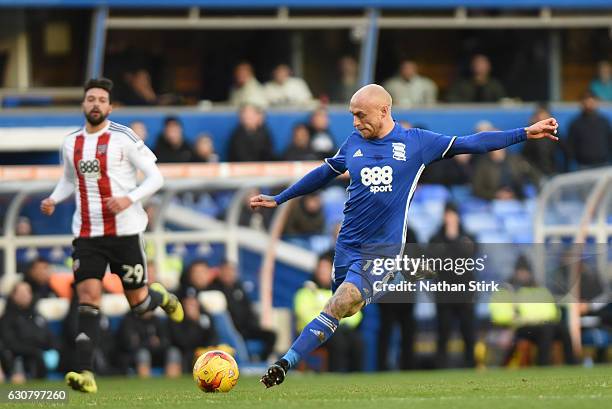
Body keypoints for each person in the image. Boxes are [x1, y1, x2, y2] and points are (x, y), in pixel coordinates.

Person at [250, 83, 559, 388]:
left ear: (384, 110)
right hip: (347, 245)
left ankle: (283, 363)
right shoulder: (353, 142)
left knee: (340, 303)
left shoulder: (417, 143)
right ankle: (393, 282)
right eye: (352, 116)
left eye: (361, 115)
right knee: (346, 308)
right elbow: (323, 173)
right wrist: (280, 198)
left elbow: (472, 142)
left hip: (382, 250)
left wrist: (524, 132)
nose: (356, 122)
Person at [40, 78, 183, 393]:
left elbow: (156, 177)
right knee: (88, 298)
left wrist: (129, 199)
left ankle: (159, 296)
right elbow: (68, 180)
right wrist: (53, 198)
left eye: (101, 100)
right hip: (87, 234)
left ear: (110, 106)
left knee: (140, 304)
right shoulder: (70, 143)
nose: (95, 104)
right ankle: (85, 372)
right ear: (83, 104)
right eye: (90, 98)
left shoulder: (124, 137)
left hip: (125, 233)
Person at [294, 252, 363, 372]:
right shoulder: (305, 291)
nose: (323, 272)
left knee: (358, 342)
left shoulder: (339, 291)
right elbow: (304, 314)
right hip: (315, 333)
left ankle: (355, 377)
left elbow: (355, 314)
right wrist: (331, 322)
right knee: (337, 340)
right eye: (321, 269)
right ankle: (334, 376)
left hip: (339, 330)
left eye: (326, 269)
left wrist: (340, 324)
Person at [428, 202, 477, 368]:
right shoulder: (435, 239)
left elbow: (468, 258)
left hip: (464, 292)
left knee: (468, 333)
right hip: (444, 293)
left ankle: (471, 365)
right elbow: (436, 263)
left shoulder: (469, 236)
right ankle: (440, 367)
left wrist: (453, 240)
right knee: (443, 333)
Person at [210, 260, 277, 361]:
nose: (229, 274)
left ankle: (261, 362)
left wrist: (254, 323)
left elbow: (249, 308)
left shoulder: (238, 287)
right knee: (236, 337)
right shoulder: (215, 289)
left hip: (246, 327)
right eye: (226, 271)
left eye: (232, 271)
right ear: (220, 272)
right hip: (233, 329)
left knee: (271, 335)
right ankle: (244, 362)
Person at [0, 281, 60, 380]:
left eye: (27, 292)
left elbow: (49, 335)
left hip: (41, 356)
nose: (25, 295)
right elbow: (9, 342)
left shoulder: (37, 315)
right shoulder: (7, 318)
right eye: (21, 293)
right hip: (20, 358)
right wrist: (34, 350)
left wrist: (54, 349)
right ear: (13, 295)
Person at [567, 92, 611, 169]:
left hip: (604, 164)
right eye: (586, 103)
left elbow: (610, 141)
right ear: (582, 104)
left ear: (596, 103)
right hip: (583, 165)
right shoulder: (575, 123)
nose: (589, 105)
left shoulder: (604, 121)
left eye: (592, 102)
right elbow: (570, 145)